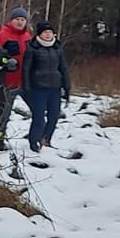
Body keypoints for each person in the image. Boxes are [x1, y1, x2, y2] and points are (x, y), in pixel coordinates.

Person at [24, 21, 71, 151]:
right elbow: (26, 68)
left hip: (55, 87)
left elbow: (63, 68)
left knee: (54, 116)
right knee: (38, 117)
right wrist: (27, 86)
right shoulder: (32, 47)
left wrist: (67, 86)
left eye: (50, 32)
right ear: (39, 34)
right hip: (38, 87)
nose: (48, 34)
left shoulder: (57, 47)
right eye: (45, 32)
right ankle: (34, 141)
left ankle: (46, 139)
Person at [0, 8, 34, 124]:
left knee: (38, 111)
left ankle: (39, 134)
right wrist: (6, 62)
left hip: (25, 82)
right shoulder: (3, 35)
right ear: (11, 20)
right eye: (17, 19)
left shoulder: (28, 36)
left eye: (22, 20)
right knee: (3, 114)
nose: (20, 22)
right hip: (8, 82)